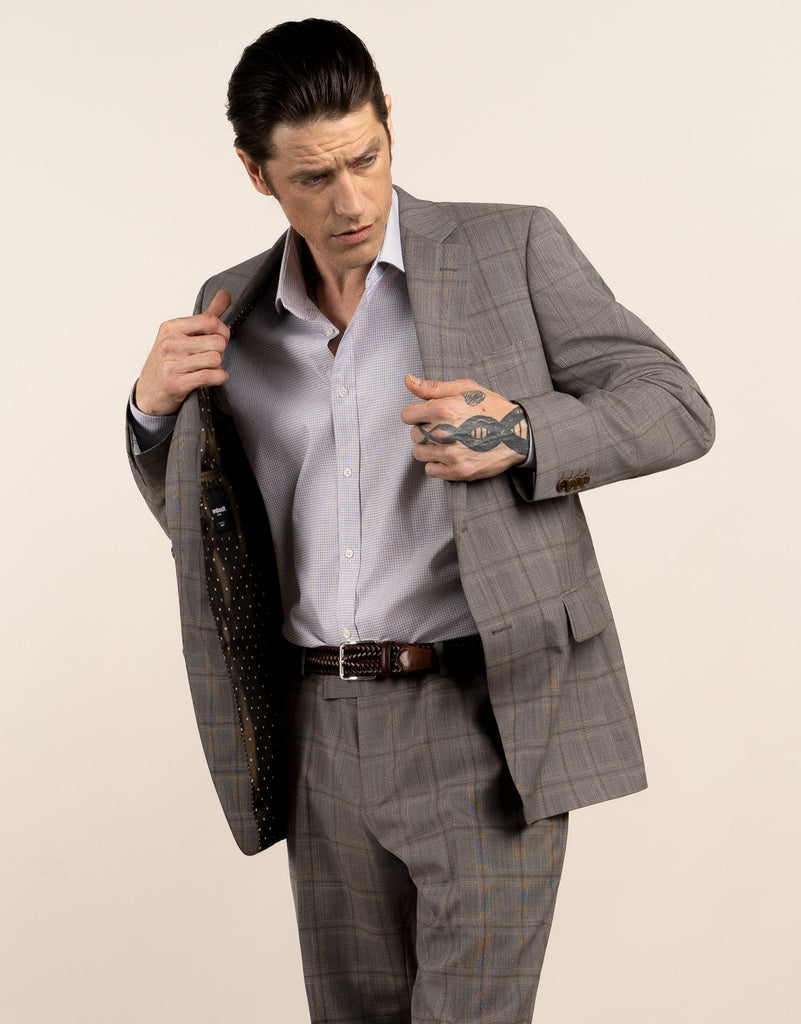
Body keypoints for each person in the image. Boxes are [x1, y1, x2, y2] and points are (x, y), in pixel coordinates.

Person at [127, 18, 714, 1024]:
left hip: (484, 718)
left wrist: (518, 431)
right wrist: (149, 414)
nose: (350, 200)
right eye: (313, 177)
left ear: (389, 120)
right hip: (318, 728)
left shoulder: (508, 247)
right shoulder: (230, 311)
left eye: (365, 158)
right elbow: (208, 536)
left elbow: (675, 406)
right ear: (256, 173)